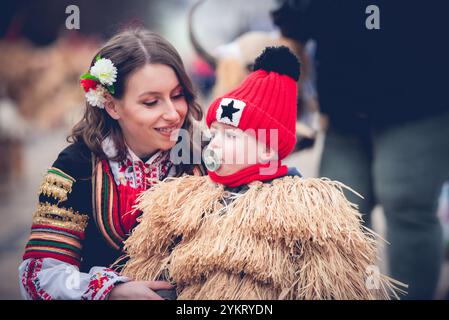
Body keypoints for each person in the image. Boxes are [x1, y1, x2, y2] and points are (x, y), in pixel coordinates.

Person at [120, 47, 405, 299]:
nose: (215, 143)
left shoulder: (302, 209)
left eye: (230, 137)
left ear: (268, 151)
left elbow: (330, 285)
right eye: (214, 133)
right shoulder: (190, 195)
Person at [271, 0, 449, 299]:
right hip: (344, 112)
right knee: (338, 212)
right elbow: (294, 27)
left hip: (420, 102)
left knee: (407, 206)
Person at [18, 28, 205, 300]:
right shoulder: (76, 168)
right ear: (112, 105)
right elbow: (38, 276)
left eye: (178, 96)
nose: (173, 113)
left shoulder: (204, 156)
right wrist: (113, 291)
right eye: (151, 102)